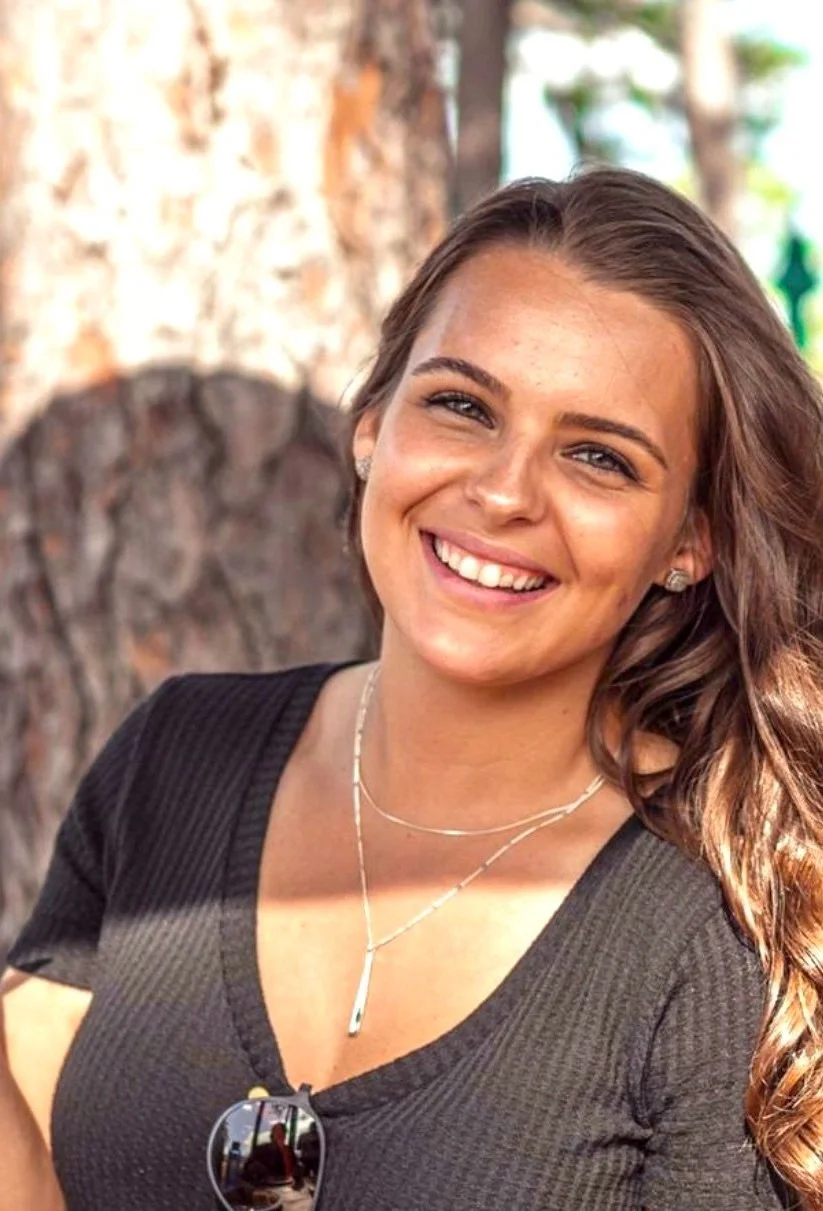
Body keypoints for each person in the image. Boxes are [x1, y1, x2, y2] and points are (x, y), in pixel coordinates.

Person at [1, 166, 822, 1211]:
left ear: (690, 541)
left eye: (597, 457)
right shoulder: (174, 757)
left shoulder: (722, 910)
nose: (502, 490)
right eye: (461, 405)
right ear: (370, 426)